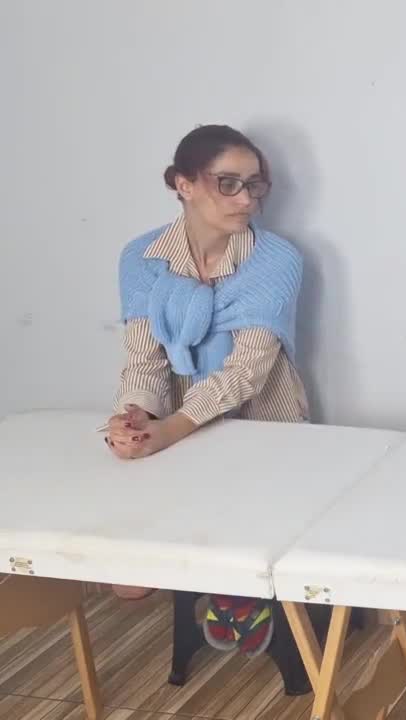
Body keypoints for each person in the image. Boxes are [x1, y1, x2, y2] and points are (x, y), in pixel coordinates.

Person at [103, 124, 308, 658]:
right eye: (228, 183)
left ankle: (239, 591)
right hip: (172, 421)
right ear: (184, 183)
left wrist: (168, 430)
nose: (246, 199)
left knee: (248, 527)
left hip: (263, 424)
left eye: (255, 185)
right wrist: (135, 415)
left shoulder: (275, 259)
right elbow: (143, 359)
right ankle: (219, 584)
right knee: (127, 577)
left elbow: (246, 373)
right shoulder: (141, 258)